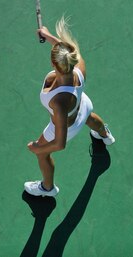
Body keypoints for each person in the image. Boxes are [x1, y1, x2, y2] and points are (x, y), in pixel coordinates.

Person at [24, 16, 115, 197]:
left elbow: (60, 143)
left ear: (52, 63)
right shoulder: (78, 64)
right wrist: (48, 35)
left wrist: (38, 149)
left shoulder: (59, 103)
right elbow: (68, 50)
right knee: (88, 117)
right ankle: (105, 135)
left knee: (43, 155)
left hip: (66, 125)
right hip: (83, 106)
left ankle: (47, 189)